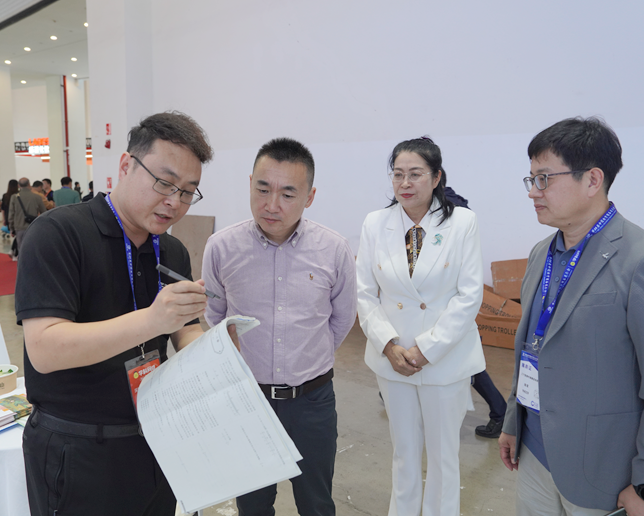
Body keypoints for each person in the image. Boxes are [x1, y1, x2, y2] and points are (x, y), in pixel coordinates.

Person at [15, 111, 217, 516]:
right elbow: (45, 349)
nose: (174, 202)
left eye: (187, 191)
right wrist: (152, 320)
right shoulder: (58, 234)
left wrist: (214, 351)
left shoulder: (171, 249)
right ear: (126, 165)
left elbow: (184, 330)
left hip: (155, 439)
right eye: (164, 183)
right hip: (78, 449)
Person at [499, 117, 644, 516]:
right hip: (534, 452)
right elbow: (531, 348)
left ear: (592, 180)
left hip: (602, 470)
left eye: (544, 179)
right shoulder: (541, 253)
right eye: (531, 179)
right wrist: (513, 421)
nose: (533, 192)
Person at [202, 137, 357, 516]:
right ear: (249, 184)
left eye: (288, 194)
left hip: (312, 402)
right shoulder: (221, 248)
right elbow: (215, 315)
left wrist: (308, 359)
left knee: (316, 504)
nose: (272, 205)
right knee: (252, 507)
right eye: (262, 189)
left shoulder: (333, 250)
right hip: (249, 401)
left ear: (310, 196)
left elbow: (342, 319)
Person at [356, 136, 485, 516]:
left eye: (415, 174)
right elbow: (365, 293)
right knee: (404, 453)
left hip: (444, 358)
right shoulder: (376, 223)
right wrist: (388, 344)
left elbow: (469, 295)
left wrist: (427, 349)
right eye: (398, 174)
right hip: (393, 359)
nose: (405, 183)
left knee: (444, 458)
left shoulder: (462, 223)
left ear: (436, 177)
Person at [444, 186, 507, 439]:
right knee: (465, 358)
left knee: (466, 360)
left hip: (449, 299)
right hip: (448, 296)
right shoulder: (449, 202)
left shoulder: (447, 205)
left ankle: (501, 413)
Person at [8, 178, 46, 254]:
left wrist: (11, 228)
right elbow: (44, 213)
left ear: (18, 185)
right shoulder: (37, 197)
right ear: (29, 184)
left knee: (21, 249)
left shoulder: (14, 197)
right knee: (33, 248)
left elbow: (11, 214)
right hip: (33, 227)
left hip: (19, 227)